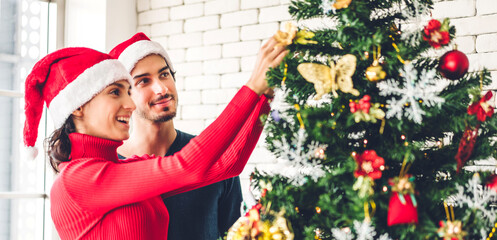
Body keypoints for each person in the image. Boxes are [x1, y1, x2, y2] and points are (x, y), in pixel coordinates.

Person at [23, 42, 287, 239]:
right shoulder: (77, 180)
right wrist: (251, 87)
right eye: (115, 93)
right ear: (78, 106)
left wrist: (264, 93)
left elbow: (225, 167)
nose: (129, 104)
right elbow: (188, 165)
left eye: (128, 92)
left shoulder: (120, 169)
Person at [108, 32, 262, 239]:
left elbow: (234, 232)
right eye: (144, 81)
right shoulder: (110, 168)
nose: (162, 88)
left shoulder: (215, 155)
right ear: (125, 95)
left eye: (164, 74)